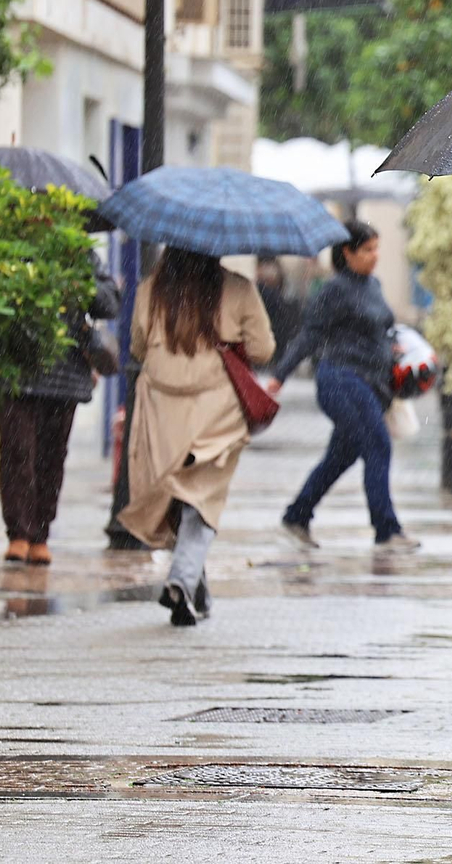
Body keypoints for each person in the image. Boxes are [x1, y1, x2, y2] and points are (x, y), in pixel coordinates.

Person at [116, 247, 275, 626]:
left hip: (161, 409)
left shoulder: (150, 289)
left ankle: (194, 590)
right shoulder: (237, 288)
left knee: (179, 496)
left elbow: (137, 347)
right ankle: (184, 582)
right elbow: (263, 350)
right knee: (201, 497)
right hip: (217, 411)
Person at [268, 221, 419, 552]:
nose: (374, 256)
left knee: (341, 456)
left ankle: (297, 516)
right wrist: (280, 375)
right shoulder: (334, 289)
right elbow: (310, 334)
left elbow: (380, 330)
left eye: (377, 248)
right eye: (367, 250)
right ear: (346, 253)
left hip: (372, 385)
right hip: (341, 380)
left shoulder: (374, 286)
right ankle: (387, 530)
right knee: (378, 445)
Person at [0, 252, 121, 565]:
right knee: (17, 451)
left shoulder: (78, 253)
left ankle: (40, 534)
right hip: (15, 372)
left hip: (64, 376)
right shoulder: (9, 243)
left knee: (51, 457)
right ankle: (19, 533)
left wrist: (82, 285)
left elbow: (109, 303)